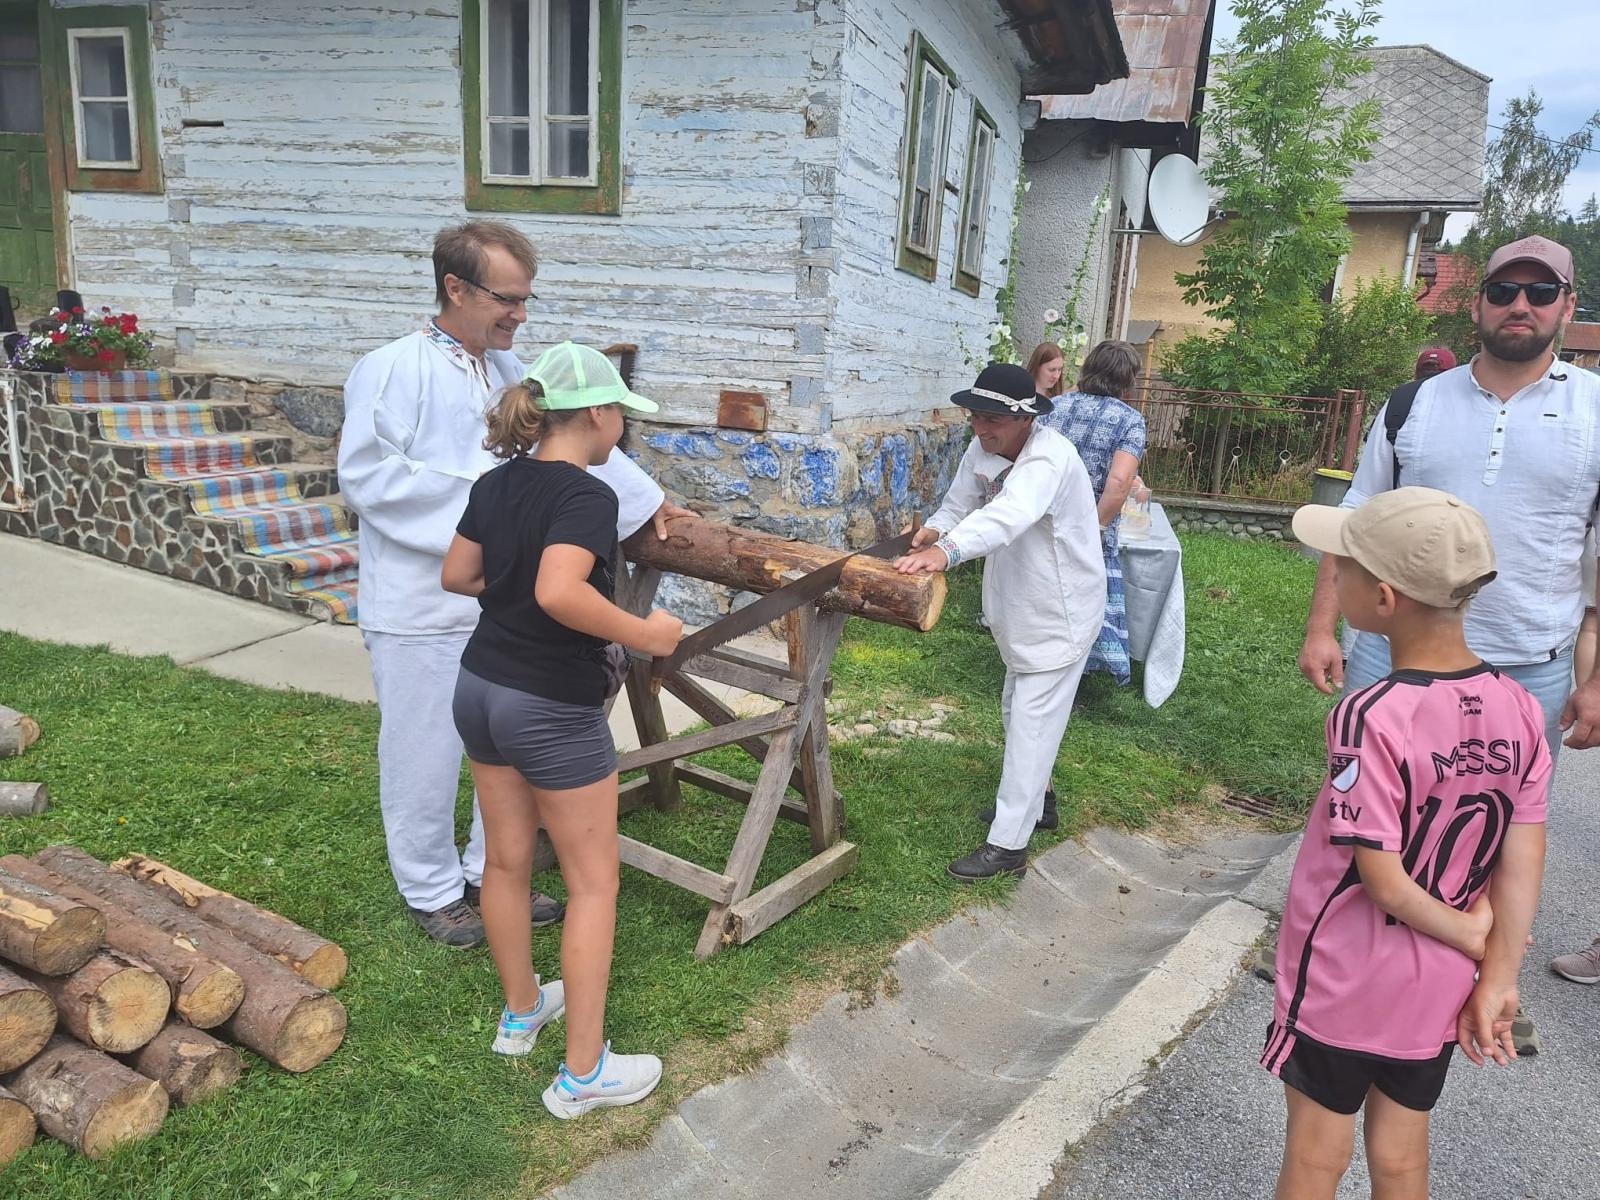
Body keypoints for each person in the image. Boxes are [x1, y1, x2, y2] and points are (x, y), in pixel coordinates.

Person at [340, 220, 686, 947]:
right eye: (507, 299)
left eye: (526, 300)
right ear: (455, 287)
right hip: (419, 601)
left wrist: (650, 502)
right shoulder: (392, 368)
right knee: (424, 748)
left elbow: (573, 442)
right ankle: (431, 889)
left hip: (499, 600)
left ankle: (486, 872)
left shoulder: (509, 371)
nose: (520, 315)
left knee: (502, 745)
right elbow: (373, 477)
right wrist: (498, 518)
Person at [1268, 487, 1549, 1200]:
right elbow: (1521, 859)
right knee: (1400, 1157)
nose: (1336, 575)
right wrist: (1498, 971)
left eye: (1348, 566)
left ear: (1383, 599)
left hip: (1346, 975)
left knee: (1314, 1158)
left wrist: (1472, 933)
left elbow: (1382, 880)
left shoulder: (1370, 714)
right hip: (1440, 981)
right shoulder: (1518, 706)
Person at [444, 341, 679, 1118]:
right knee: (592, 884)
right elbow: (558, 592)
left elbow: (461, 576)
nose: (623, 431)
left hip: (480, 687)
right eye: (622, 416)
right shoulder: (587, 495)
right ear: (600, 415)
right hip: (548, 702)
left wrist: (511, 588)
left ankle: (520, 1015)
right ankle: (584, 1074)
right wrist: (645, 635)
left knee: (506, 862)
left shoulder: (499, 479)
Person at [894, 363, 1105, 879]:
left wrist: (948, 552)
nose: (982, 429)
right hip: (1019, 604)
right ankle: (1041, 803)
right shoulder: (982, 449)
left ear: (1025, 418)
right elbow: (960, 502)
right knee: (1018, 710)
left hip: (1061, 607)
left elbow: (1007, 515)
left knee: (1032, 722)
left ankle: (1008, 844)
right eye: (975, 417)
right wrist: (936, 531)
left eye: (993, 420)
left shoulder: (1049, 459)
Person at [1038, 339, 1148, 684]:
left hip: (1042, 517)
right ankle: (1070, 674)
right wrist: (1096, 528)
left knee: (1041, 589)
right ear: (1126, 380)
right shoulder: (1129, 420)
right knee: (1083, 602)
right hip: (1088, 524)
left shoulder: (1053, 406)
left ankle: (1035, 662)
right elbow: (1118, 483)